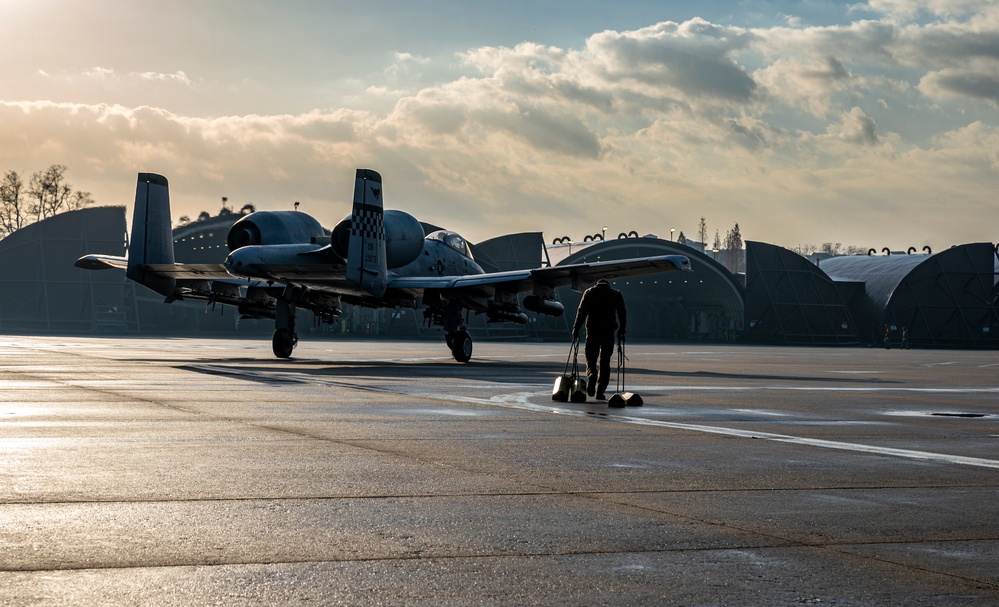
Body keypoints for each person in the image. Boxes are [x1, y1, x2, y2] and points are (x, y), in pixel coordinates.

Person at [571, 278, 627, 400]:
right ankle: (600, 391)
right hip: (608, 332)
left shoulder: (589, 292)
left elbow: (581, 312)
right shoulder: (615, 293)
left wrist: (576, 328)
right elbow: (622, 313)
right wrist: (622, 330)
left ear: (596, 283)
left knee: (590, 359)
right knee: (605, 361)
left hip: (592, 331)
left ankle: (591, 375)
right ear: (608, 284)